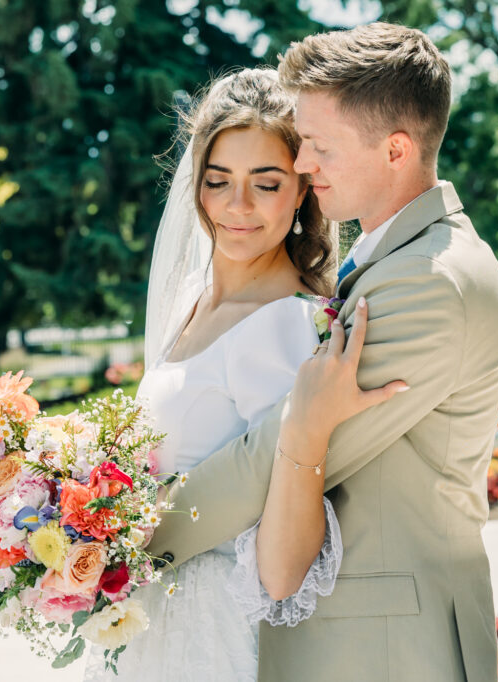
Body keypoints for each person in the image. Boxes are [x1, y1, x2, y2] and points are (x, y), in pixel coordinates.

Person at [147, 22, 498, 682]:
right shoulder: (392, 263)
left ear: (396, 150)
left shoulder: (430, 283)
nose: (303, 163)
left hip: (390, 648)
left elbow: (275, 451)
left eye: (317, 146)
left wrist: (123, 538)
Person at [83, 67, 401, 680]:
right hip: (146, 614)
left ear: (303, 190)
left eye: (267, 183)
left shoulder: (288, 326)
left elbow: (285, 553)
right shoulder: (191, 299)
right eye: (218, 180)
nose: (237, 207)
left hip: (211, 631)